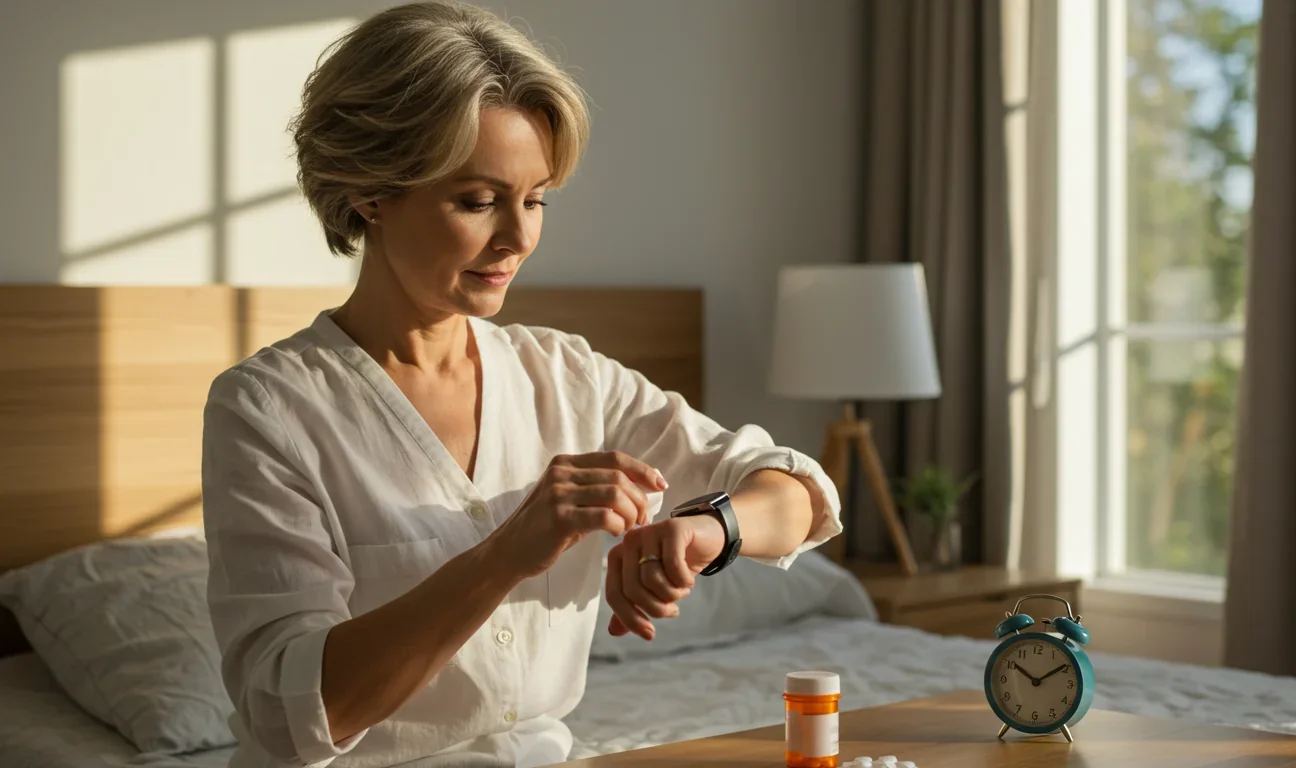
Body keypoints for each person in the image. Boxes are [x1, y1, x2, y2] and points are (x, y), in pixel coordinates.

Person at [199, 3, 842, 767]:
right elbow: (291, 713)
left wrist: (706, 530)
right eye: (478, 201)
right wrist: (504, 554)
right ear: (371, 192)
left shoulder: (565, 377)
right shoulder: (269, 410)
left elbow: (800, 496)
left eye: (535, 199)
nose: (519, 237)